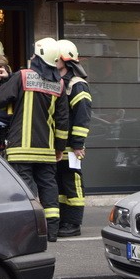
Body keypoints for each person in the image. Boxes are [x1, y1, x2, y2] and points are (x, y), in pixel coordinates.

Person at [0, 37, 68, 241]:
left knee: (25, 190)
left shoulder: (22, 76)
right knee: (48, 188)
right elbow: (63, 122)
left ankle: (29, 233)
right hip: (46, 151)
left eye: (34, 54)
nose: (31, 57)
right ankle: (52, 232)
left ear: (38, 57)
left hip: (21, 149)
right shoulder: (59, 84)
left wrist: (6, 83)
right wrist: (59, 148)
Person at [55, 39, 93, 238]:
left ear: (65, 59)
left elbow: (82, 116)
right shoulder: (57, 81)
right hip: (58, 145)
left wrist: (77, 144)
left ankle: (74, 222)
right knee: (60, 183)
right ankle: (63, 219)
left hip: (71, 146)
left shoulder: (77, 85)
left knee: (72, 182)